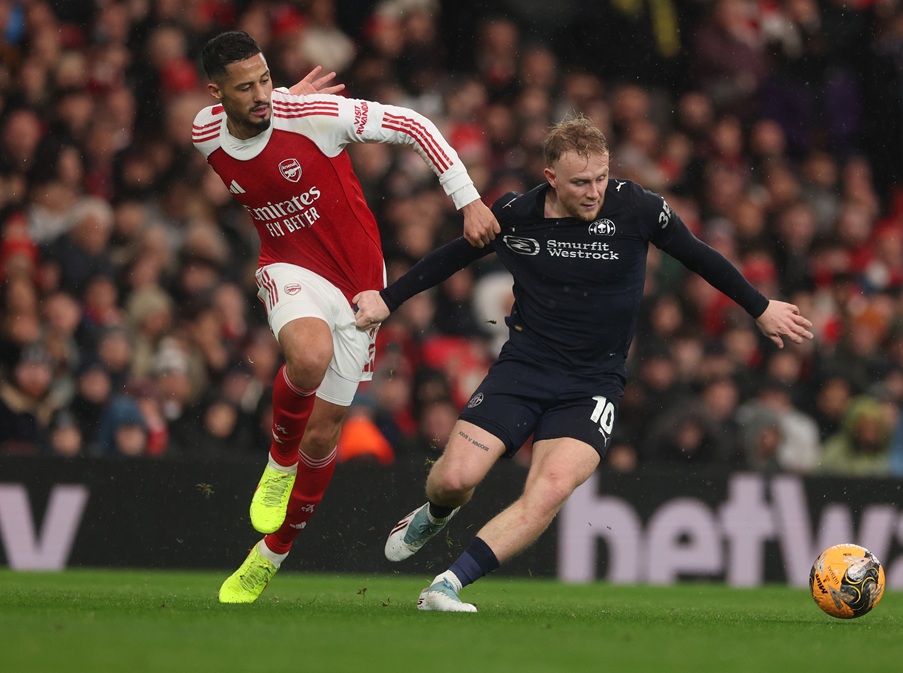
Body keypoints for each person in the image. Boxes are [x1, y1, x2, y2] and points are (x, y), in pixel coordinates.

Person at [353, 115, 813, 612]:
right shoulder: (515, 213)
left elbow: (700, 255)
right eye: (580, 183)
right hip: (523, 369)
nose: (594, 191)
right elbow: (449, 258)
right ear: (551, 178)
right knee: (454, 480)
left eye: (600, 178)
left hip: (593, 383)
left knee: (549, 488)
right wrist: (387, 299)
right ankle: (436, 513)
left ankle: (447, 585)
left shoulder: (638, 207)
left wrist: (760, 307)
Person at [192, 31, 499, 604]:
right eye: (246, 88)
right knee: (308, 356)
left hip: (360, 287)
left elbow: (412, 124)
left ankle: (270, 554)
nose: (261, 94)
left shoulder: (310, 114)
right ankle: (277, 464)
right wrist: (279, 101)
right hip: (286, 265)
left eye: (265, 80)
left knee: (326, 430)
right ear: (216, 95)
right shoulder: (203, 132)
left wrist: (469, 199)